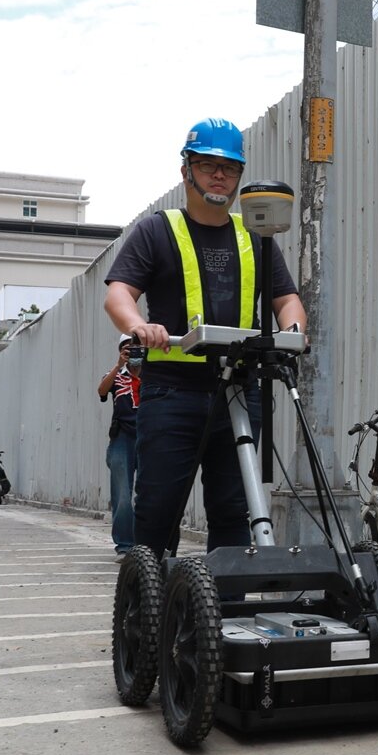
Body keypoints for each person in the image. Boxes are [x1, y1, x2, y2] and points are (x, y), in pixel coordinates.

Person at [103, 117, 306, 561]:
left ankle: (224, 616)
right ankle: (148, 613)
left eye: (229, 168)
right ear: (186, 170)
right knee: (158, 509)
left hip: (238, 389)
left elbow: (288, 299)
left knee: (234, 511)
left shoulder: (256, 235)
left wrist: (293, 332)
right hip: (172, 390)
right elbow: (119, 293)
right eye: (208, 165)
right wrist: (138, 325)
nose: (219, 175)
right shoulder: (156, 230)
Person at [98, 335, 142, 559]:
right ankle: (125, 546)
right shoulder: (115, 376)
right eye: (127, 349)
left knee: (150, 494)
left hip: (148, 437)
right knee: (122, 495)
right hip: (122, 439)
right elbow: (102, 391)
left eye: (136, 348)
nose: (132, 352)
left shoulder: (153, 375)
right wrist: (119, 365)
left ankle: (147, 544)